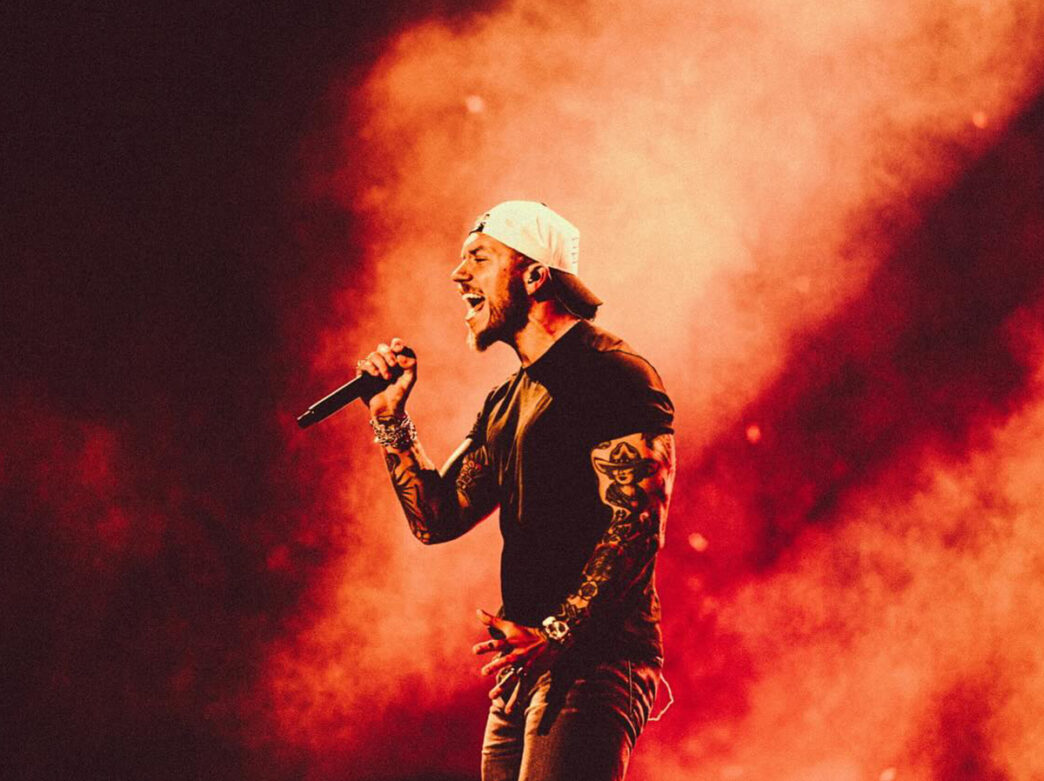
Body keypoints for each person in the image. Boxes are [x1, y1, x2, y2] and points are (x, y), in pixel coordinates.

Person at [355, 201, 675, 781]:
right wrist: (390, 420)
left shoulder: (613, 373)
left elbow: (638, 523)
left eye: (477, 259)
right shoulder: (506, 402)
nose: (458, 276)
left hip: (594, 660)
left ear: (534, 276)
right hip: (527, 667)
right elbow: (438, 518)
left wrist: (557, 633)